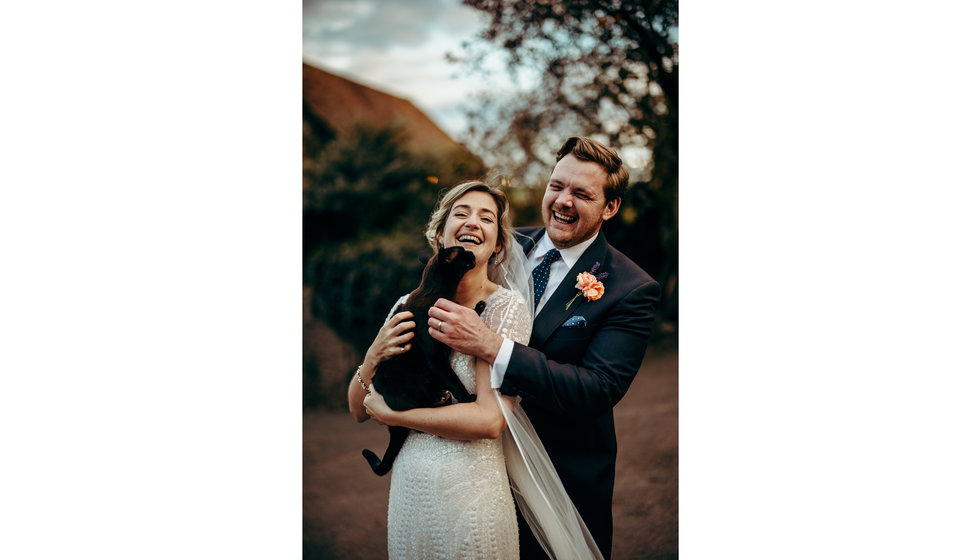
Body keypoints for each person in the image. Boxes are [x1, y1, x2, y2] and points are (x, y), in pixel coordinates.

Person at [428, 137, 661, 559]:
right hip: (476, 468)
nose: (563, 201)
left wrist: (492, 345)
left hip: (558, 476)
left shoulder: (631, 288)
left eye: (582, 194)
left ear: (610, 207)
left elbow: (598, 388)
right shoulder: (503, 246)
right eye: (557, 186)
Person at [348, 181, 560, 559]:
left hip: (471, 492)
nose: (472, 222)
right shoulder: (406, 304)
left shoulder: (504, 310)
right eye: (460, 213)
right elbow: (356, 408)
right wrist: (371, 356)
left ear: (497, 244)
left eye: (486, 217)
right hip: (410, 491)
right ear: (440, 235)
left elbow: (489, 421)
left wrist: (397, 414)